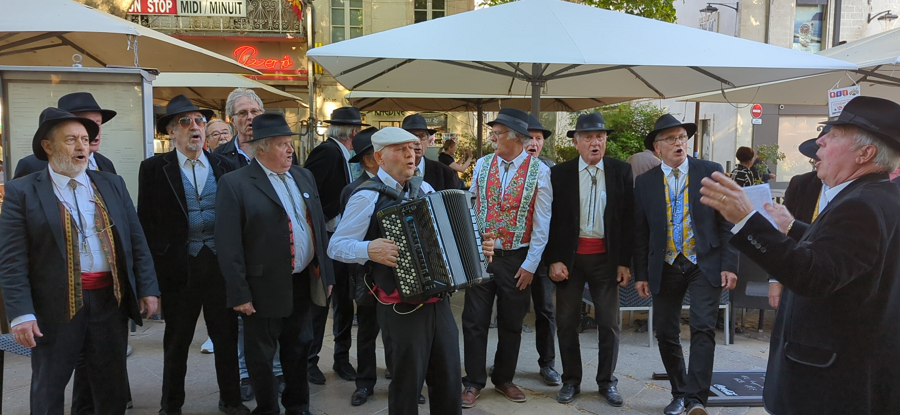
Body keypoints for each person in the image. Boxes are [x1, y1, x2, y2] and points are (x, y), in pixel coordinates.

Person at [699, 96, 900, 414]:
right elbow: (847, 258)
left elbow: (816, 275)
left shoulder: (861, 204)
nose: (820, 140)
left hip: (829, 384)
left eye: (834, 135)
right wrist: (792, 228)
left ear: (865, 153)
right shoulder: (875, 196)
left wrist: (747, 220)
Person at [0, 107, 159, 415]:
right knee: (48, 388)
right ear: (48, 146)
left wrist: (148, 288)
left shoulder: (111, 183)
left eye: (85, 139)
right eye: (71, 139)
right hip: (53, 309)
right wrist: (20, 313)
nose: (81, 147)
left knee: (110, 388)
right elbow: (11, 259)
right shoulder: (22, 191)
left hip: (109, 303)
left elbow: (136, 240)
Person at [328, 127, 495, 415]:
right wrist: (368, 249)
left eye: (413, 148)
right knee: (407, 384)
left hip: (438, 300)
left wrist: (479, 248)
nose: (411, 155)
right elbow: (336, 245)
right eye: (400, 149)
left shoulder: (425, 189)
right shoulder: (365, 196)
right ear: (379, 157)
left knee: (448, 378)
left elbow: (448, 236)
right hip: (398, 305)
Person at [215, 113, 334, 415]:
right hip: (261, 287)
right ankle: (267, 408)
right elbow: (229, 244)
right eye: (282, 145)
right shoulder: (236, 183)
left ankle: (298, 406)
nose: (290, 150)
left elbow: (318, 225)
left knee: (299, 348)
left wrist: (326, 272)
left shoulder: (303, 175)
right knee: (261, 356)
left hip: (301, 281)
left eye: (290, 143)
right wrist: (239, 293)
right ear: (262, 148)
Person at [138, 95, 246, 415]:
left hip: (219, 267)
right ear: (171, 131)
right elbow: (147, 224)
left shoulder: (226, 166)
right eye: (186, 122)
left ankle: (231, 400)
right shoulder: (154, 168)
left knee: (225, 338)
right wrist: (153, 280)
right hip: (179, 270)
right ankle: (171, 405)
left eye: (199, 121)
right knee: (177, 342)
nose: (195, 127)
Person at [633, 114, 738, 415]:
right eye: (671, 139)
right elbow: (641, 233)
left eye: (682, 137)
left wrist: (729, 264)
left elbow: (727, 221)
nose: (679, 143)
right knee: (665, 331)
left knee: (703, 328)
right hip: (665, 265)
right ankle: (679, 393)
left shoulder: (710, 172)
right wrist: (641, 273)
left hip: (703, 261)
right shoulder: (645, 182)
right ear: (657, 148)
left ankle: (696, 400)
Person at [461, 108, 552, 408]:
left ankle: (503, 378)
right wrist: (473, 246)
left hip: (517, 258)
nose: (492, 138)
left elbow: (542, 223)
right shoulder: (483, 164)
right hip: (482, 255)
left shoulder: (540, 171)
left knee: (512, 321)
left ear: (516, 138)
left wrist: (530, 264)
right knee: (474, 320)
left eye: (497, 133)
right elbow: (473, 207)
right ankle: (473, 381)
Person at [544, 112, 634, 406]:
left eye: (600, 137)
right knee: (567, 322)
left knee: (609, 323)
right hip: (569, 261)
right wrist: (553, 260)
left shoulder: (621, 171)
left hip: (606, 261)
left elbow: (627, 219)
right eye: (588, 137)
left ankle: (607, 382)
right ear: (576, 142)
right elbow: (551, 220)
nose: (595, 143)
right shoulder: (560, 174)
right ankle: (571, 380)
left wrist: (624, 261)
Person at [304, 106, 368, 384]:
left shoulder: (341, 154)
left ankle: (341, 359)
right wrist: (334, 215)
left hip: (342, 240)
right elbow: (309, 195)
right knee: (321, 303)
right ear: (354, 133)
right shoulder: (327, 152)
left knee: (343, 301)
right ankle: (309, 361)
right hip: (328, 239)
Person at [522, 113, 561, 386]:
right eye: (529, 138)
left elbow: (557, 215)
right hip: (514, 253)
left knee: (545, 310)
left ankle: (547, 364)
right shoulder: (505, 169)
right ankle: (503, 364)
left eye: (538, 138)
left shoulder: (552, 170)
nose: (534, 143)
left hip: (544, 255)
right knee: (511, 311)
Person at [768, 128, 826, 309]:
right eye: (814, 157)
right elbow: (780, 234)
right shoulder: (801, 184)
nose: (816, 162)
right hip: (795, 274)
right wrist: (774, 279)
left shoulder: (858, 193)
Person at [13, 92, 118, 179]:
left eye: (98, 124)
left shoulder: (105, 164)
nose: (96, 131)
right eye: (87, 125)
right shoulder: (32, 165)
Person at [403, 113, 460, 191]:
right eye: (412, 136)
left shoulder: (445, 173)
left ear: (428, 142)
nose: (418, 141)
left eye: (422, 136)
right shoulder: (391, 171)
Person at [214, 88, 261, 168]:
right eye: (242, 113)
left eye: (254, 112)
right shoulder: (220, 154)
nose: (250, 117)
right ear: (232, 120)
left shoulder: (276, 148)